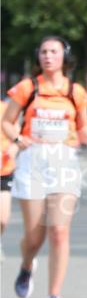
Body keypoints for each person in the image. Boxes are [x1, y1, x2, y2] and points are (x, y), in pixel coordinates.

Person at [1, 36, 87, 298]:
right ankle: (26, 265)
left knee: (59, 231)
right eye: (43, 52)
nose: (47, 56)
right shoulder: (27, 87)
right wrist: (19, 138)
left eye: (53, 51)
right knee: (35, 237)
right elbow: (6, 122)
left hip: (64, 161)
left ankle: (54, 296)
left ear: (64, 57)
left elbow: (83, 128)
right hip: (34, 160)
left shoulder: (75, 92)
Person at [1, 99, 19, 238]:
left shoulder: (6, 108)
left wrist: (14, 147)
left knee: (2, 219)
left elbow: (18, 135)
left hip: (4, 170)